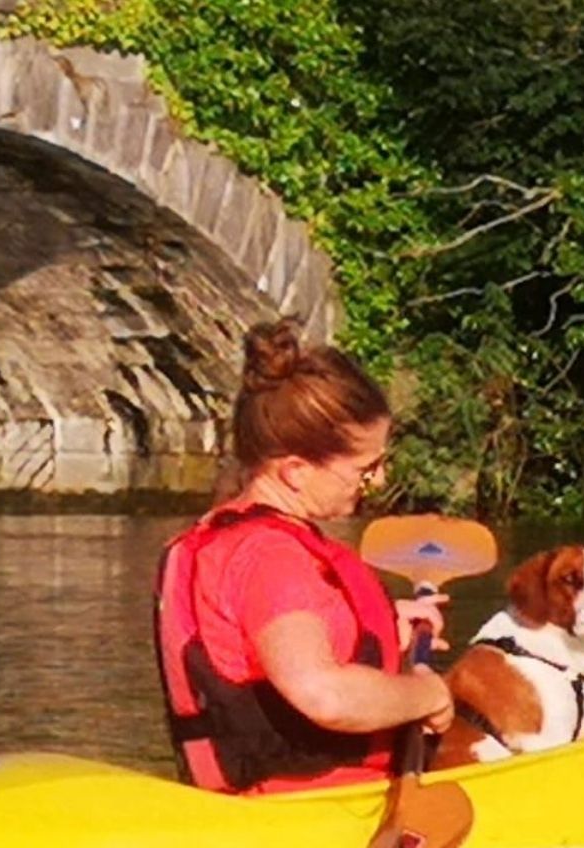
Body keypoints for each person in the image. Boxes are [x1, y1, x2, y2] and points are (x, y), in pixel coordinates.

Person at [154, 318, 454, 795]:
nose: (377, 480)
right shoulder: (273, 558)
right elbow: (324, 695)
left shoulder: (236, 541)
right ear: (295, 470)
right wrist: (427, 693)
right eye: (366, 467)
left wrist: (379, 633)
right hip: (305, 807)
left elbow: (271, 645)